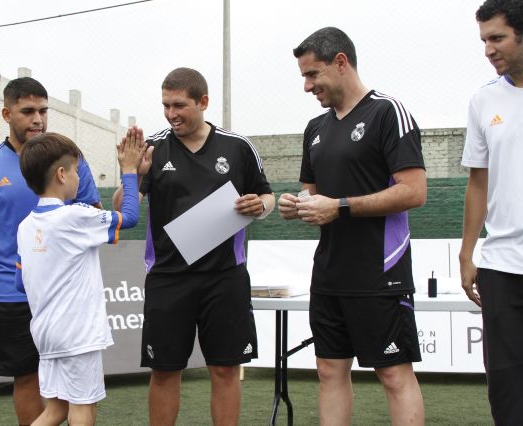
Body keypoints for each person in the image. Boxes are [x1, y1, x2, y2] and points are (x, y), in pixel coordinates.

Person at [278, 27, 427, 425]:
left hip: (380, 270)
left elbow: (413, 192)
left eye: (313, 75)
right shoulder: (316, 128)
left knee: (394, 374)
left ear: (341, 62)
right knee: (329, 371)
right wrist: (297, 205)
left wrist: (339, 207)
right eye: (304, 77)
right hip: (329, 271)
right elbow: (314, 194)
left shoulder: (387, 112)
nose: (308, 86)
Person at [113, 67, 274, 425]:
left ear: (203, 102)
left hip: (225, 277)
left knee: (225, 370)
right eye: (165, 105)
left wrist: (260, 206)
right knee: (165, 371)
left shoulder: (238, 146)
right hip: (169, 278)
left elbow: (267, 196)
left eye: (179, 105)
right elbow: (123, 208)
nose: (171, 114)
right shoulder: (153, 147)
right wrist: (132, 171)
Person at [0, 77, 102, 425]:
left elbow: (93, 219)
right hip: (11, 292)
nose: (38, 119)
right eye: (28, 111)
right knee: (27, 378)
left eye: (43, 111)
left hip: (66, 297)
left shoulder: (70, 160)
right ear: (7, 113)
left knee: (75, 390)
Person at [15, 132, 145, 425]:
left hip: (46, 333)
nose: (78, 177)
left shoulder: (24, 226)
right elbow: (130, 218)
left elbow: (18, 282)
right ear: (62, 174)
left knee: (55, 410)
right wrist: (129, 170)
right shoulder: (74, 215)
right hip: (77, 334)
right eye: (76, 170)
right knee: (83, 407)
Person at [459, 1, 523, 423]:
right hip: (501, 265)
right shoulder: (483, 101)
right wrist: (467, 253)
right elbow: (477, 183)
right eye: (484, 40)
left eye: (496, 38)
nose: (488, 49)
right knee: (507, 388)